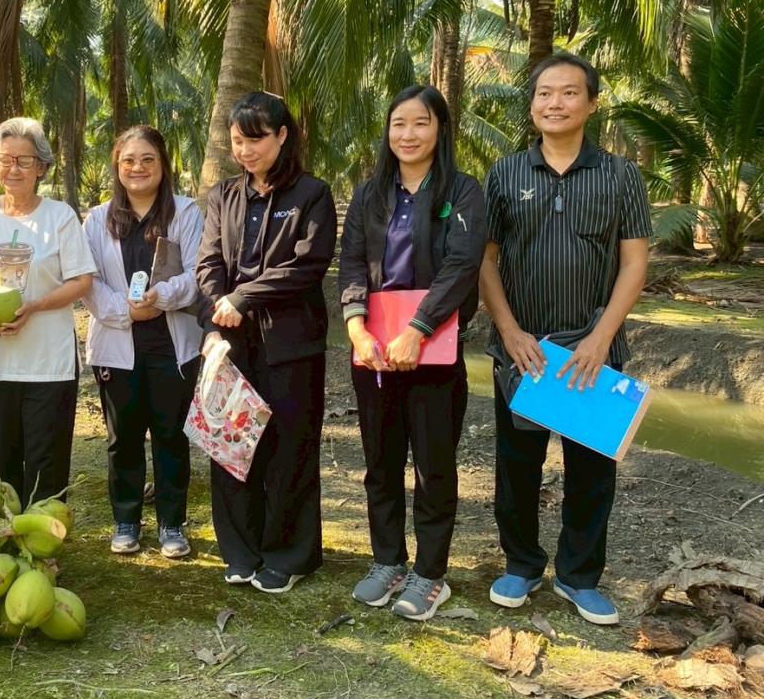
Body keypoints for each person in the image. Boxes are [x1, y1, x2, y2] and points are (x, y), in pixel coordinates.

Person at [480, 52, 651, 625]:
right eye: (544, 93)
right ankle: (521, 565)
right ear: (532, 105)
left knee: (591, 470)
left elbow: (634, 263)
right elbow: (485, 260)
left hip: (592, 352)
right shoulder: (505, 174)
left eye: (569, 92)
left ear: (592, 103)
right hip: (523, 351)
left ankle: (579, 576)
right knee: (517, 465)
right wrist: (509, 331)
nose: (555, 103)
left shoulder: (621, 175)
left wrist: (601, 338)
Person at [337, 86, 486, 621]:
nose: (408, 134)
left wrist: (418, 329)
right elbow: (352, 262)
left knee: (432, 466)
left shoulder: (462, 191)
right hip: (375, 352)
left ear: (440, 129)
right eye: (398, 123)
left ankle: (430, 573)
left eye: (420, 123)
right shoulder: (370, 194)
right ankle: (388, 561)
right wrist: (356, 327)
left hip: (434, 350)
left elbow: (461, 266)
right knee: (380, 462)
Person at [196, 92, 337, 594]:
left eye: (255, 139)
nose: (246, 150)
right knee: (230, 445)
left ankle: (289, 554)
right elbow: (208, 262)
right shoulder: (224, 195)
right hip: (232, 343)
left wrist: (243, 298)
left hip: (291, 343)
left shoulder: (312, 194)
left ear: (282, 136)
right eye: (238, 140)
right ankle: (241, 550)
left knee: (289, 448)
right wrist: (214, 320)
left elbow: (306, 265)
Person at [0, 118, 96, 506]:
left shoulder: (60, 217)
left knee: (46, 464)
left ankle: (45, 534)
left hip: (47, 364)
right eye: (5, 158)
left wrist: (33, 306)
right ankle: (7, 534)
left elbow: (81, 280)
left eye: (25, 160)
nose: (13, 168)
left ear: (42, 167)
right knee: (2, 466)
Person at [83, 126, 204, 559]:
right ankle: (126, 520)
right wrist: (125, 311)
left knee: (171, 435)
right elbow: (88, 281)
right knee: (124, 438)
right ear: (117, 165)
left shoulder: (185, 212)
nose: (138, 167)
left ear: (163, 164)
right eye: (129, 160)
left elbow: (198, 273)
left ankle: (172, 524)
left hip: (172, 346)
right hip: (117, 345)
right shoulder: (97, 219)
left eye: (148, 159)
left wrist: (160, 298)